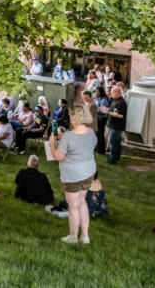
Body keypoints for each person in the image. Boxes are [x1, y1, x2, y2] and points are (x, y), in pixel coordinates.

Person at [49, 105, 97, 244]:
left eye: (71, 115)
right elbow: (83, 145)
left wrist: (53, 143)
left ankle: (73, 237)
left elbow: (58, 156)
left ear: (75, 117)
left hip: (72, 176)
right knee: (82, 202)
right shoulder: (91, 132)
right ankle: (85, 236)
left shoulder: (69, 136)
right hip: (88, 172)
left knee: (74, 207)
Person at [104, 86, 127, 165]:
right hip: (112, 124)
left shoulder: (121, 103)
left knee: (112, 142)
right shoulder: (114, 101)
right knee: (116, 142)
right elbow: (112, 110)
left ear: (117, 93)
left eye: (113, 93)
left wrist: (108, 113)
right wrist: (106, 109)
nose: (111, 95)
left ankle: (112, 159)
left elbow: (120, 115)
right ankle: (116, 157)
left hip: (117, 126)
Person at [93, 87, 109, 155]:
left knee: (100, 134)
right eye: (95, 91)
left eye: (97, 92)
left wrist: (95, 110)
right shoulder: (97, 98)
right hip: (97, 117)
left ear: (101, 92)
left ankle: (101, 150)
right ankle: (96, 147)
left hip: (101, 118)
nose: (96, 93)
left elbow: (103, 111)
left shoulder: (103, 100)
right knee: (96, 133)